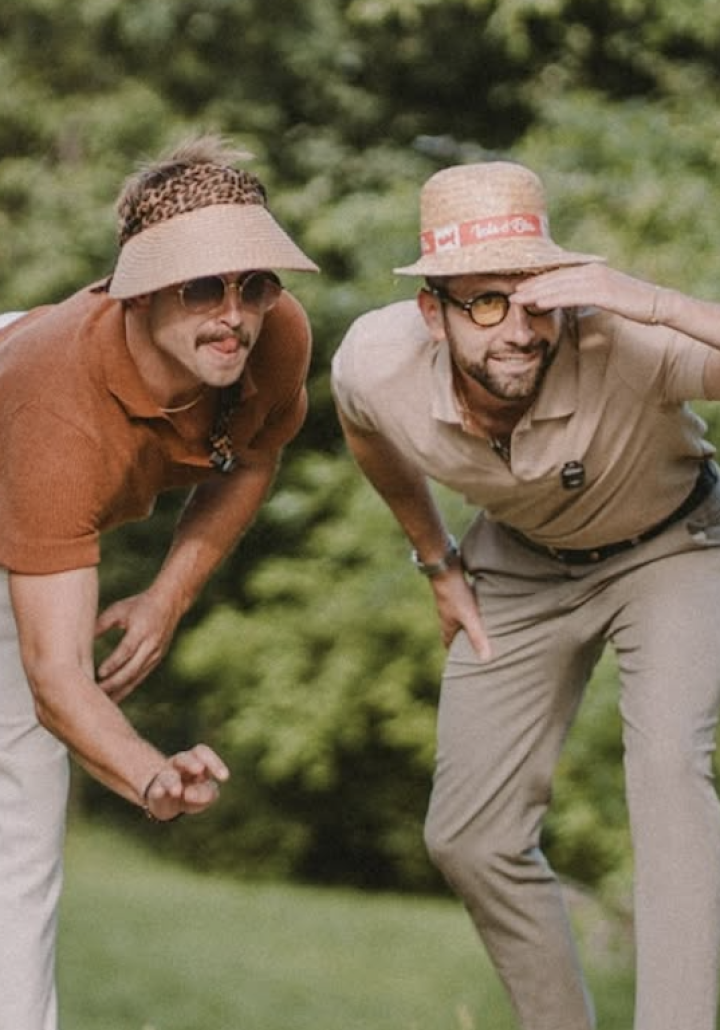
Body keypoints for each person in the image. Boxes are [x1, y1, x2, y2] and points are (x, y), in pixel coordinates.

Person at [331, 160, 720, 1030]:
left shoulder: (624, 337)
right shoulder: (376, 363)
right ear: (431, 313)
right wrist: (436, 560)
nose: (518, 331)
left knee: (667, 769)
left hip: (671, 546)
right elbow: (365, 430)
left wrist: (652, 301)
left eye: (535, 300)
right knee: (469, 836)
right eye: (485, 304)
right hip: (520, 562)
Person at [0, 133, 318, 1030]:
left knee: (25, 822)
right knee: (24, 760)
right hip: (13, 425)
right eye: (202, 287)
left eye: (254, 284)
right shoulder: (51, 406)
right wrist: (149, 774)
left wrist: (170, 594)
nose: (235, 315)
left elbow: (254, 454)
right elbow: (56, 678)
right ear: (138, 290)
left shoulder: (276, 335)